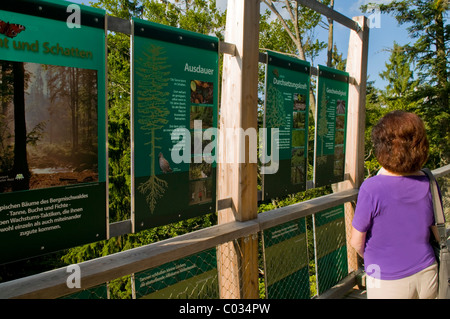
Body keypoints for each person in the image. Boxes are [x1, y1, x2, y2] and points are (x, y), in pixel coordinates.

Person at [350, 110, 438, 299]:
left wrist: (376, 261)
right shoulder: (428, 181)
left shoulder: (372, 187)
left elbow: (357, 241)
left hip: (387, 279)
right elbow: (437, 231)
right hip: (428, 272)